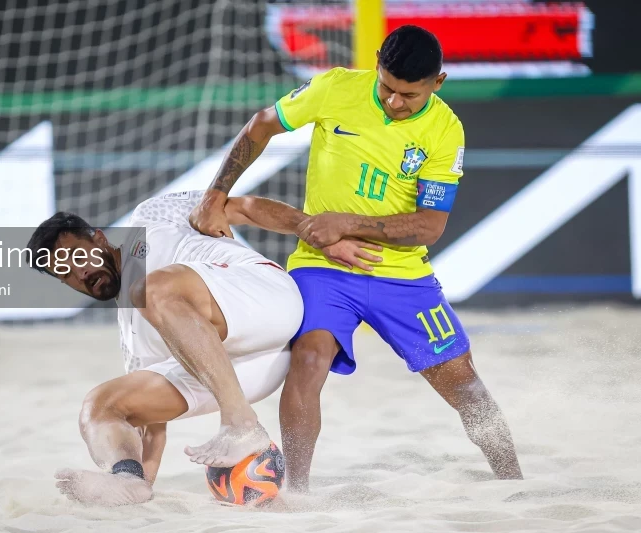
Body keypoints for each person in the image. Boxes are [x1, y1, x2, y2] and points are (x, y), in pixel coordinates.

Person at [190, 25, 523, 492]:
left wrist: (346, 222)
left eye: (409, 95)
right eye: (387, 87)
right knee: (309, 358)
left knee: (465, 384)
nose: (394, 102)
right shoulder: (335, 87)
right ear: (377, 65)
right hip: (323, 267)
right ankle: (297, 491)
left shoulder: (446, 130)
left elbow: (430, 226)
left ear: (438, 82)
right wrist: (216, 193)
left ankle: (513, 482)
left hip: (402, 276)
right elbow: (261, 125)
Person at [24, 190, 380, 505]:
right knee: (100, 405)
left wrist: (313, 232)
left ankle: (240, 423)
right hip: (253, 370)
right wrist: (140, 482)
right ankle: (126, 478)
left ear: (99, 238)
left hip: (266, 301)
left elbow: (243, 207)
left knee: (150, 290)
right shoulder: (132, 337)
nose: (79, 274)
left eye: (77, 257)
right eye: (65, 274)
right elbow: (152, 428)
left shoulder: (150, 218)